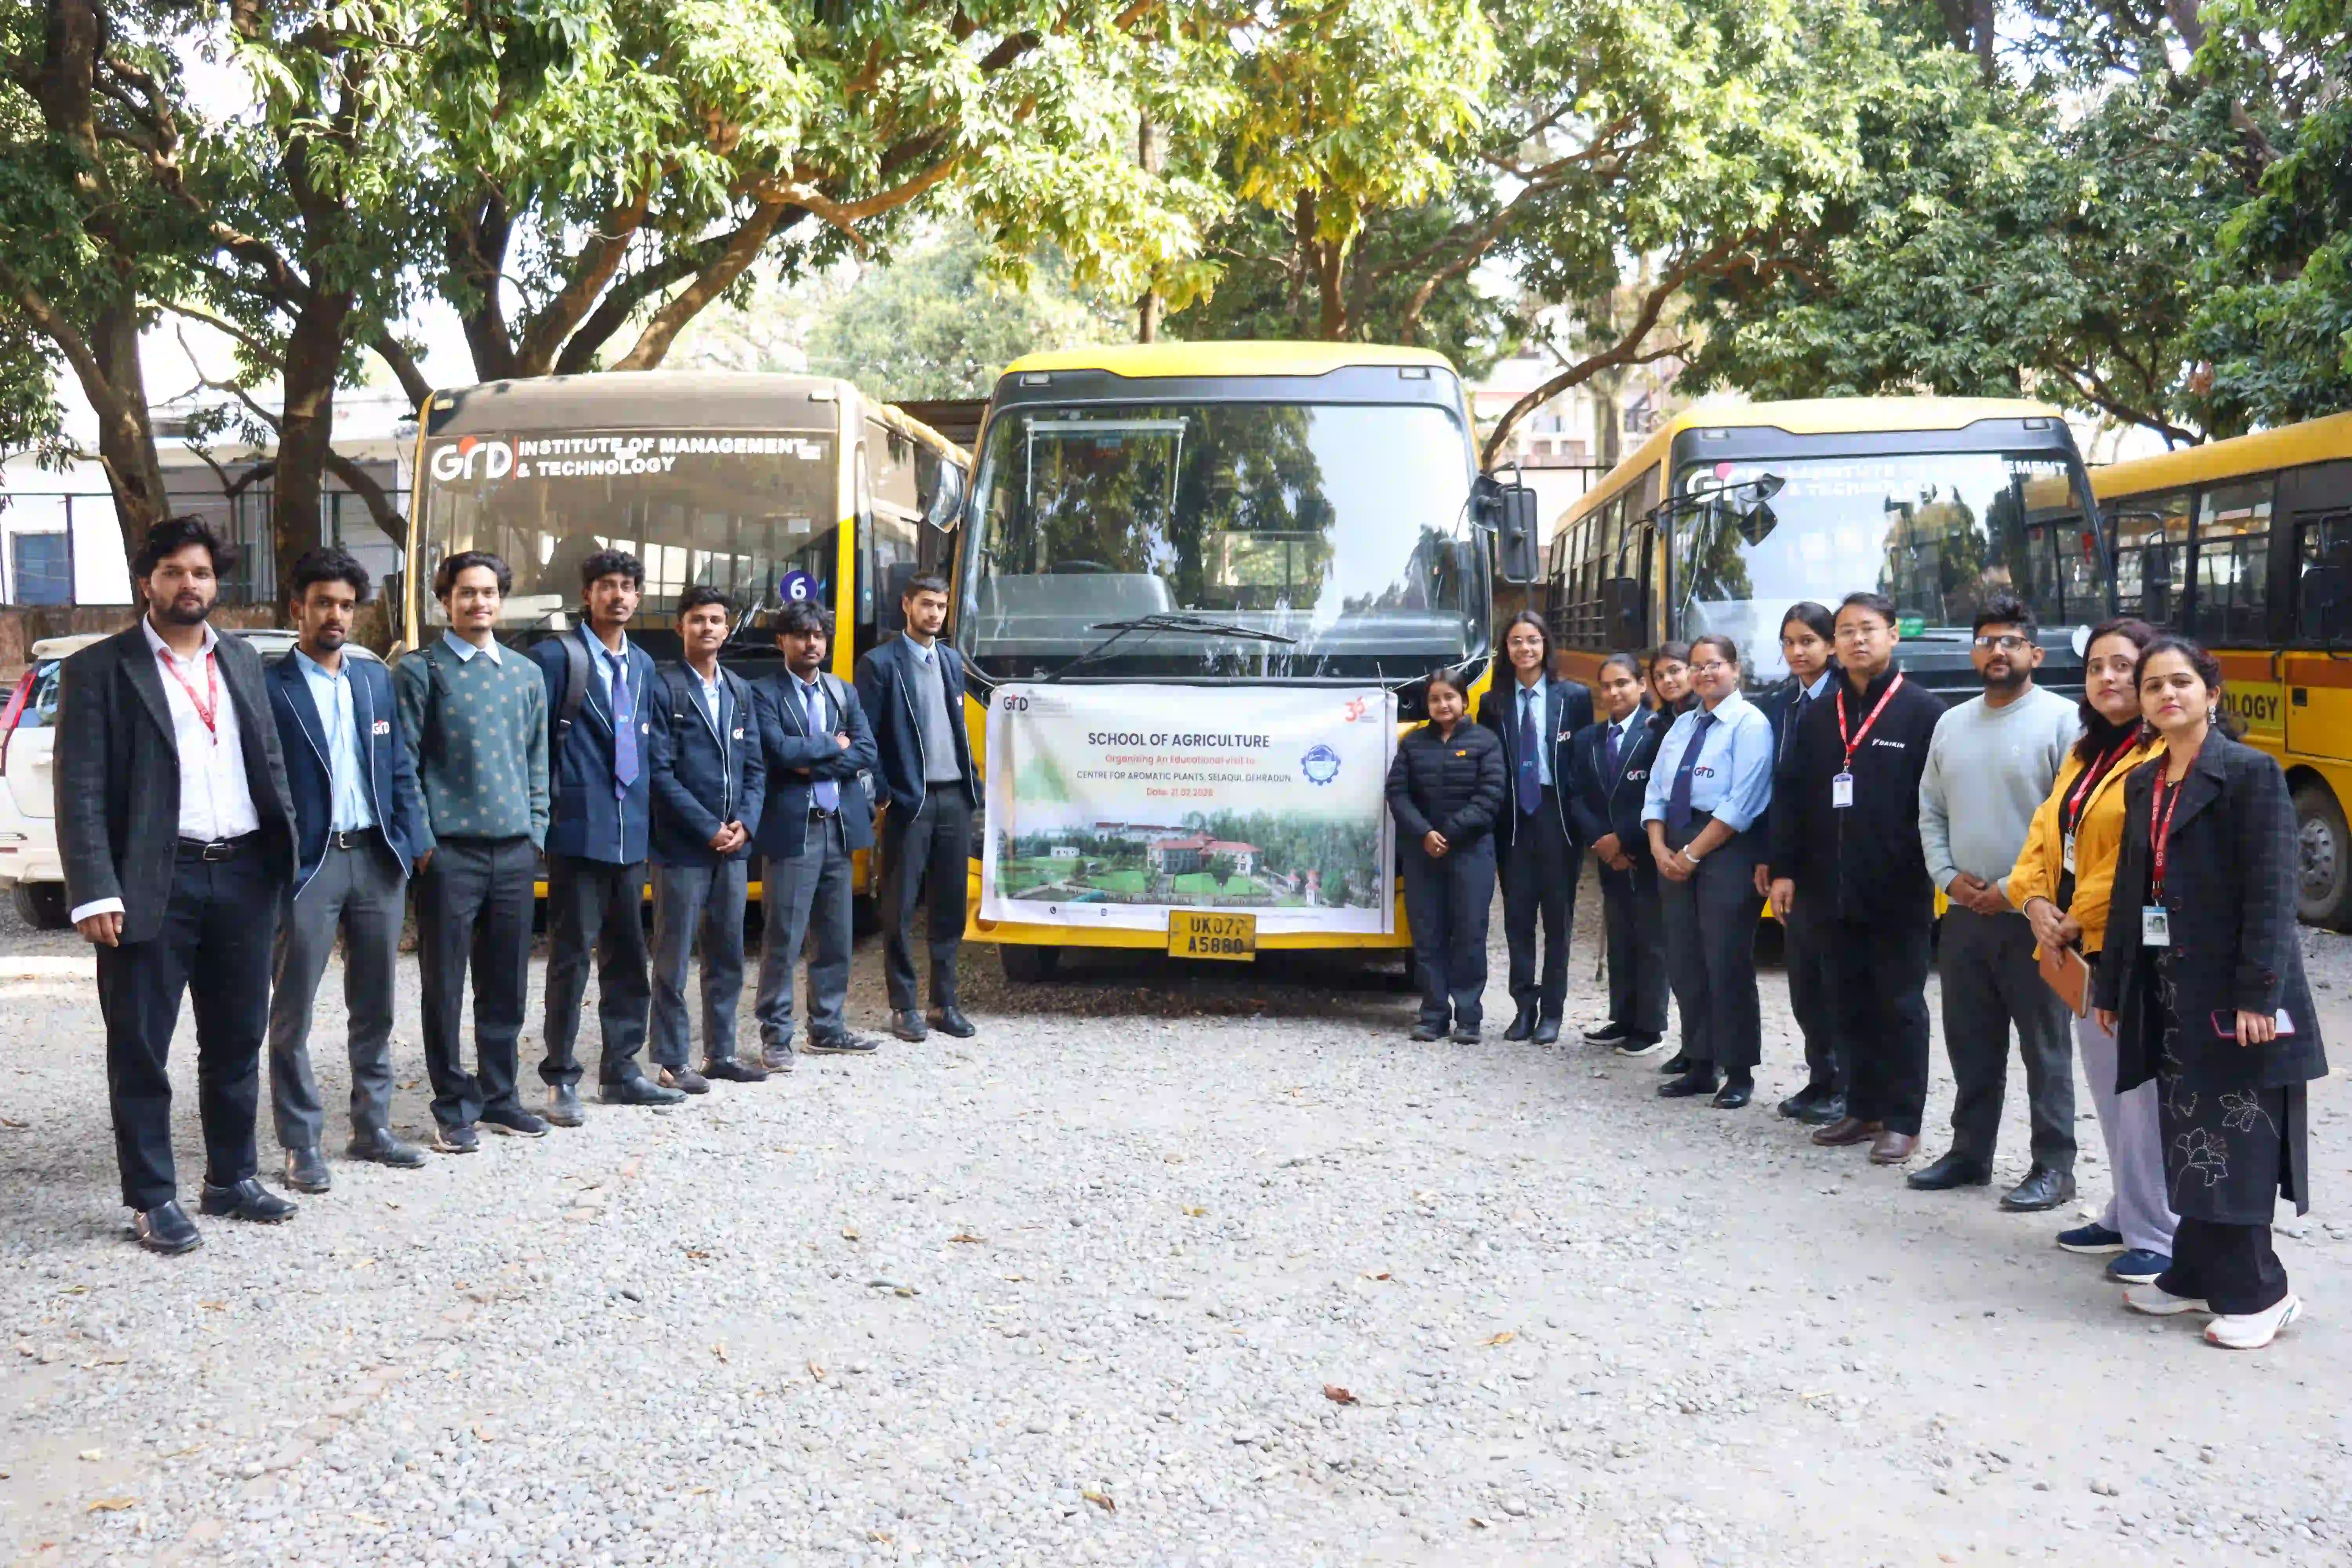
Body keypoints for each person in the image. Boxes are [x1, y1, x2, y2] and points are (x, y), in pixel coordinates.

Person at [54, 517, 301, 1252]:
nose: (188, 584)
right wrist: (95, 889)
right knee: (141, 1046)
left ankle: (230, 1179)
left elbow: (271, 763)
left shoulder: (243, 661)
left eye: (199, 572)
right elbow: (82, 788)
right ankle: (152, 1197)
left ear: (215, 582)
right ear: (146, 583)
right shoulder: (101, 668)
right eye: (172, 572)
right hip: (149, 883)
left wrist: (282, 859)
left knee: (235, 1039)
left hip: (244, 874)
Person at [2094, 637, 2326, 1350]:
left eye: (2182, 683)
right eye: (2155, 685)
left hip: (2236, 999)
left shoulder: (2251, 774)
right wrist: (2114, 984)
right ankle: (2193, 1273)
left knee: (2238, 1140)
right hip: (2171, 994)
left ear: (2211, 694)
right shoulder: (2146, 780)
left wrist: (2260, 995)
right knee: (2190, 1136)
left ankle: (2263, 1292)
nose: (2168, 695)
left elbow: (2273, 892)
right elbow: (2135, 890)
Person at [2009, 617, 2179, 1286]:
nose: (2109, 678)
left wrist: (2074, 917)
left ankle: (2160, 1234)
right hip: (2079, 950)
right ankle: (2126, 1210)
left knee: (2142, 1096)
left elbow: (2141, 853)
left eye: (2124, 666)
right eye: (2097, 667)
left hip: (2130, 948)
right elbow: (2044, 832)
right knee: (2111, 1093)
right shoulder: (2087, 751)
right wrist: (2033, 902)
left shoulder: (2164, 754)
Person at [261, 548, 431, 1192]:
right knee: (294, 1011)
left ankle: (373, 1127)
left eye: (345, 605)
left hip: (377, 860)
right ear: (297, 609)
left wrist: (413, 837)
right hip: (309, 867)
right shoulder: (269, 686)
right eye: (322, 603)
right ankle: (301, 1143)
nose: (335, 615)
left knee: (376, 1003)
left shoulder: (372, 681)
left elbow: (399, 767)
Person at [1910, 597, 2084, 1207]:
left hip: (2035, 920)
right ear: (1973, 651)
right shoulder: (1951, 724)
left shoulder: (2064, 724)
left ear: (2035, 653)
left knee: (2045, 1048)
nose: (1998, 652)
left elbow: (2071, 826)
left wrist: (2013, 891)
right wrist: (1947, 876)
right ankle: (1969, 1153)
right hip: (1962, 914)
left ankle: (2054, 1166)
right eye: (1987, 641)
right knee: (1971, 1042)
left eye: (2011, 641)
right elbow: (1930, 809)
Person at [1768, 592, 1945, 1165]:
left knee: (1899, 1004)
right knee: (1845, 1000)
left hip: (1897, 888)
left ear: (1894, 636)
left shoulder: (1925, 713)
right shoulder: (1820, 714)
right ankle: (1861, 1107)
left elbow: (1938, 804)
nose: (1856, 641)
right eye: (1845, 632)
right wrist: (1786, 868)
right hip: (1827, 886)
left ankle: (1902, 1119)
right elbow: (1792, 796)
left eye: (1868, 630)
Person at [397, 550, 552, 1153]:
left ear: (501, 599)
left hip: (515, 852)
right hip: (450, 856)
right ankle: (452, 1104)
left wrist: (536, 828)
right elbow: (404, 766)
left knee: (506, 981)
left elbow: (538, 759)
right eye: (466, 594)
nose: (478, 603)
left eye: (488, 593)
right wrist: (424, 844)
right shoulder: (422, 671)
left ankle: (500, 1095)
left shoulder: (524, 674)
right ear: (446, 601)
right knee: (444, 985)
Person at [528, 550, 684, 1118]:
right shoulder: (556, 659)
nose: (618, 596)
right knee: (570, 958)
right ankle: (560, 1078)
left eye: (627, 587)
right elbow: (535, 740)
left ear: (639, 597)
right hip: (578, 830)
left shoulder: (644, 665)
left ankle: (621, 1069)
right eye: (606, 586)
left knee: (628, 955)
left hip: (631, 830)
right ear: (587, 595)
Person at [1641, 635, 1775, 1107]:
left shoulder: (1750, 724)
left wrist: (1694, 854)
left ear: (1736, 669)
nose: (1704, 674)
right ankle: (1700, 1062)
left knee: (1726, 960)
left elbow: (1743, 802)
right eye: (1696, 667)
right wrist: (1659, 847)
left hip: (1726, 848)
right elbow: (1656, 790)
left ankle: (1738, 1071)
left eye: (1714, 665)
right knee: (1685, 958)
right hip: (1675, 842)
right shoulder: (1682, 726)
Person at [645, 587, 768, 1091]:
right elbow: (659, 773)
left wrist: (746, 823)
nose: (709, 628)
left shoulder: (740, 690)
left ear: (727, 628)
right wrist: (707, 827)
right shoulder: (663, 687)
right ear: (681, 628)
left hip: (733, 849)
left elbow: (756, 767)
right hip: (681, 849)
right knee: (673, 957)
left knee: (727, 953)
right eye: (698, 620)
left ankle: (721, 1053)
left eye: (717, 620)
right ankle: (673, 1060)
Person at [751, 601, 881, 1060]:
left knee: (835, 935)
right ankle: (776, 1035)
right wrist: (830, 746)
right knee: (783, 937)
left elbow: (865, 749)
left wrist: (814, 762)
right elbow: (778, 751)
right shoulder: (762, 694)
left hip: (839, 829)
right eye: (801, 635)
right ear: (781, 641)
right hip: (793, 831)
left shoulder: (842, 692)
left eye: (818, 636)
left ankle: (827, 1028)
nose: (811, 644)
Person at [855, 573, 981, 1044]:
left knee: (949, 905)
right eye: (926, 604)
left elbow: (957, 725)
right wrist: (887, 792)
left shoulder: (950, 661)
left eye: (941, 607)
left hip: (954, 797)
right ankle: (903, 1005)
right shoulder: (880, 664)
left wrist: (973, 782)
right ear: (907, 605)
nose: (934, 614)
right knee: (901, 905)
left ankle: (943, 1003)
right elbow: (864, 735)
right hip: (912, 799)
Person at [1477, 611, 1593, 1042]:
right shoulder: (1495, 702)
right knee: (1518, 918)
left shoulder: (1574, 697)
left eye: (1533, 640)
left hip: (1556, 814)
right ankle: (1524, 1007)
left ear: (1545, 645)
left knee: (1558, 920)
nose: (1524, 649)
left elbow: (1583, 763)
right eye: (1515, 642)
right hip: (1514, 819)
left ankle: (1553, 1011)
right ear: (1505, 651)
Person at [1755, 603, 1846, 1123]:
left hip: (1832, 857)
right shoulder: (1781, 703)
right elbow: (1780, 789)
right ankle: (1820, 1078)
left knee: (1836, 979)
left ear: (1830, 645)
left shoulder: (1844, 699)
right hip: (1791, 856)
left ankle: (1847, 1087)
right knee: (1804, 979)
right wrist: (1774, 856)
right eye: (1788, 642)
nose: (1797, 652)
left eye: (1808, 641)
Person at [1385, 668, 1506, 1042]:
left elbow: (1491, 796)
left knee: (1469, 934)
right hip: (1423, 855)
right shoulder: (1413, 745)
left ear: (1464, 701)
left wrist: (1450, 833)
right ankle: (1433, 1014)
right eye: (1435, 699)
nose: (1443, 705)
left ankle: (1469, 1018)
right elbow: (1397, 793)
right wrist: (1424, 834)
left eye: (1450, 697)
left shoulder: (1486, 742)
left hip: (1471, 853)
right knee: (1428, 935)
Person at [1567, 652, 1669, 1055]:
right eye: (1606, 686)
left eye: (1623, 683)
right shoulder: (1587, 740)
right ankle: (1623, 1016)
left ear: (1643, 686)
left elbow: (1658, 794)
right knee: (1621, 935)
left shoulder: (1658, 732)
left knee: (1651, 938)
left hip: (1645, 851)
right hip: (1608, 855)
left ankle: (1650, 1025)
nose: (1614, 693)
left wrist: (1624, 839)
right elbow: (1577, 796)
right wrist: (1601, 842)